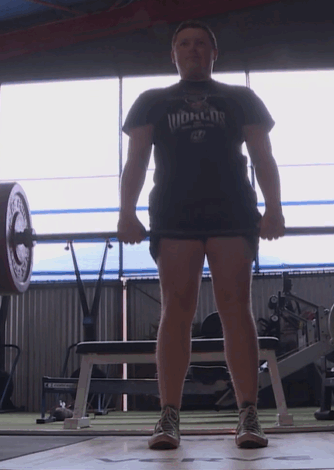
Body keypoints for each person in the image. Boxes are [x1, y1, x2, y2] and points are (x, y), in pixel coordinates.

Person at [117, 20, 285, 450]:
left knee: (236, 308)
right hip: (175, 213)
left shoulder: (240, 98)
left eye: (200, 43)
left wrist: (274, 209)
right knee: (176, 309)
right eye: (184, 43)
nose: (192, 49)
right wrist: (126, 213)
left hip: (233, 211)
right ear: (173, 54)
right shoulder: (151, 101)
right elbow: (136, 161)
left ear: (214, 52)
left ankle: (248, 413)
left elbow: (263, 156)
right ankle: (168, 415)